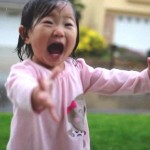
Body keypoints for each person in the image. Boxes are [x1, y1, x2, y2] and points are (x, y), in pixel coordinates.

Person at [5, 0, 150, 150]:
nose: (59, 31)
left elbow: (113, 79)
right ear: (25, 34)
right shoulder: (24, 72)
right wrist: (34, 94)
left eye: (68, 24)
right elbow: (18, 86)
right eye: (48, 22)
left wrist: (144, 78)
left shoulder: (78, 70)